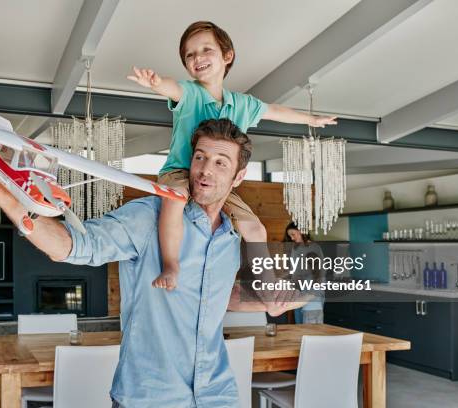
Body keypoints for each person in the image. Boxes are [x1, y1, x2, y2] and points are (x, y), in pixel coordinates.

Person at [0, 119, 307, 407]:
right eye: (201, 157)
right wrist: (14, 205)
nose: (205, 169)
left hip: (217, 394)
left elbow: (214, 297)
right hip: (150, 396)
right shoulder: (150, 217)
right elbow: (73, 246)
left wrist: (271, 286)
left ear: (238, 176)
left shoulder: (232, 237)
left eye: (221, 162)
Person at [127, 21, 337, 291]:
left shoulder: (243, 104)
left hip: (220, 184)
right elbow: (172, 88)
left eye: (205, 49)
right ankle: (171, 266)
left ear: (227, 56)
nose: (197, 58)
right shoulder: (190, 93)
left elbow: (275, 111)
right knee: (175, 201)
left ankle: (269, 286)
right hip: (180, 171)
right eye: (189, 55)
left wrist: (312, 119)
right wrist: (155, 83)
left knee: (256, 230)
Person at [284, 222, 325, 324]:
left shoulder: (315, 247)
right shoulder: (295, 248)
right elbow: (294, 270)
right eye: (290, 236)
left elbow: (321, 271)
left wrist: (315, 292)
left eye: (293, 234)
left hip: (311, 292)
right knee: (299, 325)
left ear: (301, 231)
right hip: (297, 292)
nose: (292, 238)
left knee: (312, 327)